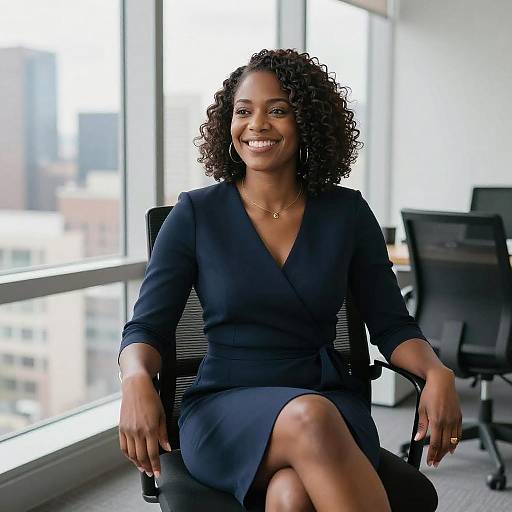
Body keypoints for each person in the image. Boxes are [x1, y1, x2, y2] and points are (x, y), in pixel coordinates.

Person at [118, 48, 462, 511]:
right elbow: (146, 327)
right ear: (228, 124)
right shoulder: (196, 214)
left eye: (277, 110)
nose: (256, 124)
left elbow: (392, 325)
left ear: (307, 123)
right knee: (309, 419)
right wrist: (136, 378)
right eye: (244, 111)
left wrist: (437, 372)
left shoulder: (347, 214)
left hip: (329, 401)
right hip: (225, 407)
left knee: (290, 495)